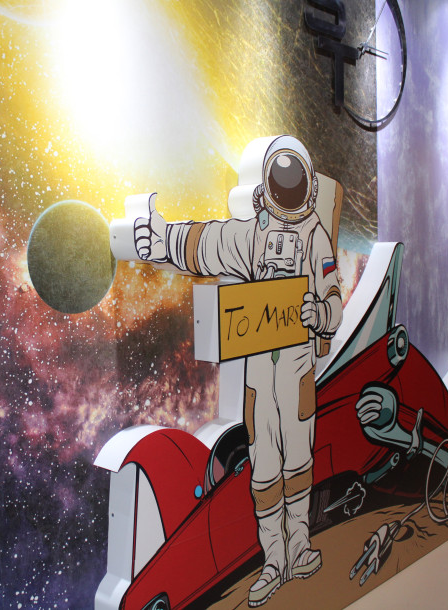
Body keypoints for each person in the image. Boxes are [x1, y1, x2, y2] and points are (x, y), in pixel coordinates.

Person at [133, 135, 342, 607]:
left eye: (294, 183)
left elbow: (333, 296)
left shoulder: (315, 237)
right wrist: (162, 240)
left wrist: (321, 314)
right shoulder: (253, 234)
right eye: (281, 183)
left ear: (307, 186)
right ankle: (274, 560)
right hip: (260, 377)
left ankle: (299, 546)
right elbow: (210, 242)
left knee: (299, 462)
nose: (288, 191)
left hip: (297, 370)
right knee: (264, 470)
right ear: (267, 187)